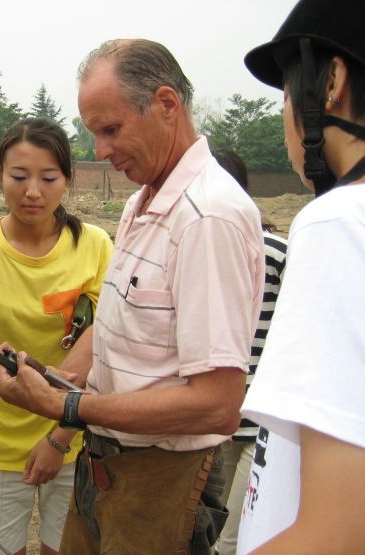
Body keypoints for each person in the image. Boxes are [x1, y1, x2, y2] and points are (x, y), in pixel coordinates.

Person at [0, 39, 265, 554]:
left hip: (163, 477)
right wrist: (60, 377)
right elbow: (116, 323)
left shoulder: (207, 218)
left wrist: (65, 406)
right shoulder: (143, 201)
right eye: (94, 132)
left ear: (166, 104)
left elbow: (217, 405)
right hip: (107, 466)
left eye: (110, 129)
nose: (99, 151)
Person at [236, 0, 365, 552]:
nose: (286, 115)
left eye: (287, 94)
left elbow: (337, 532)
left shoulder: (338, 223)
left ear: (330, 82)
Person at [0, 117, 113, 555]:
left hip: (75, 441)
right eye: (19, 177)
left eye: (48, 178)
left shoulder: (96, 246)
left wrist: (59, 438)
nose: (32, 192)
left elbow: (104, 346)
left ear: (68, 179)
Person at [210, 149, 288, 555]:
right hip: (212, 419)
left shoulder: (276, 253)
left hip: (259, 420)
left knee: (232, 535)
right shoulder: (197, 249)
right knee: (216, 520)